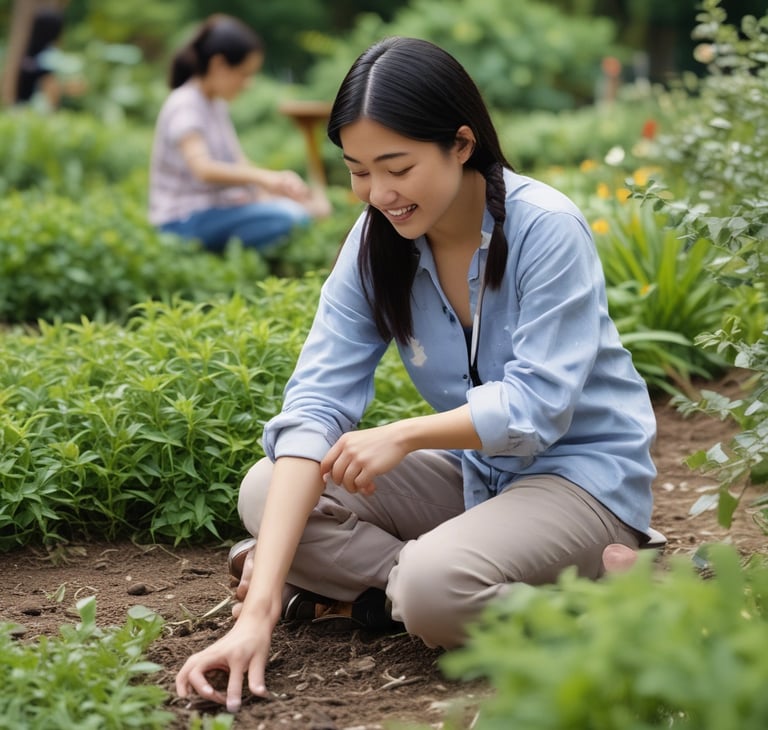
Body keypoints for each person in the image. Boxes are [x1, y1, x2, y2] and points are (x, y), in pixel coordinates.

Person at [176, 36, 665, 712]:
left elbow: (537, 410)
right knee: (268, 490)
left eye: (396, 166)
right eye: (356, 170)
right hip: (479, 479)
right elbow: (315, 406)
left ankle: (618, 604)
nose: (377, 194)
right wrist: (255, 615)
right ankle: (415, 590)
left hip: (580, 479)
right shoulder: (376, 246)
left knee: (433, 587)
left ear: (461, 144)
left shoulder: (545, 227)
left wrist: (404, 435)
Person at [148, 14, 330, 254]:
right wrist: (266, 179)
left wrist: (273, 191)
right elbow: (203, 170)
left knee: (300, 209)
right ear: (219, 65)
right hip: (182, 222)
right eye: (244, 74)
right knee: (291, 217)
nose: (248, 83)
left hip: (212, 213)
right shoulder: (186, 104)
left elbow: (238, 163)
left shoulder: (214, 104)